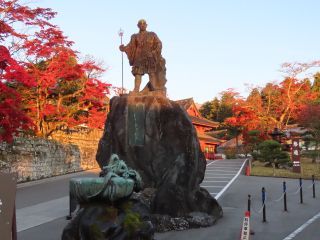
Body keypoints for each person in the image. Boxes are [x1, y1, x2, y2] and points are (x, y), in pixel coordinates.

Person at [120, 19, 166, 93]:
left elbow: (159, 43)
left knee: (151, 72)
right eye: (140, 24)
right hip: (139, 57)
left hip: (149, 55)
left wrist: (154, 52)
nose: (142, 25)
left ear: (146, 25)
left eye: (144, 24)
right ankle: (136, 89)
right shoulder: (134, 36)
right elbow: (131, 46)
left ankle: (154, 87)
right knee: (138, 74)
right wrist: (124, 48)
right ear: (138, 26)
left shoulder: (152, 34)